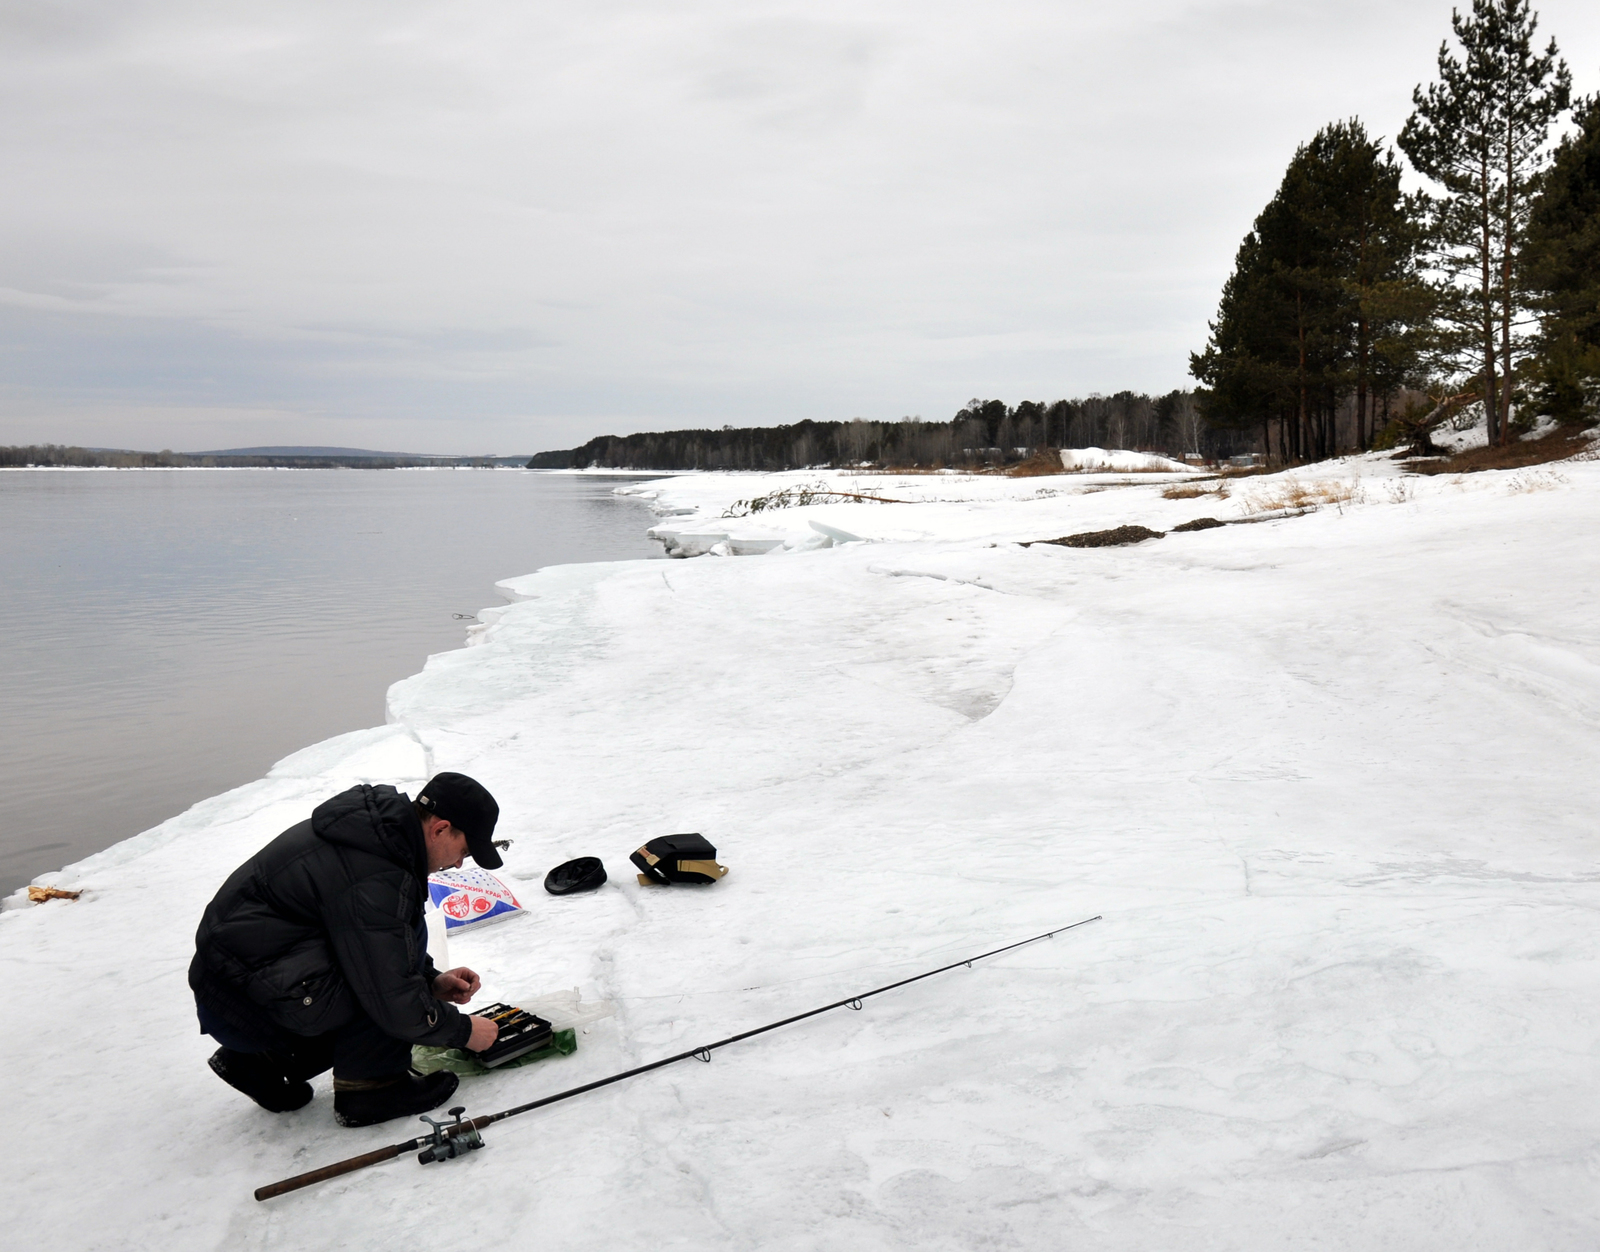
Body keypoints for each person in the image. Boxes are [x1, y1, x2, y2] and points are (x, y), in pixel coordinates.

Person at [189, 772, 505, 1127]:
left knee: (389, 966)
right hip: (248, 1006)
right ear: (440, 828)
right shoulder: (377, 871)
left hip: (238, 997)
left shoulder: (376, 838)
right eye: (463, 851)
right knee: (383, 989)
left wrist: (430, 980)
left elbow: (379, 940)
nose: (460, 864)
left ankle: (261, 1065)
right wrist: (464, 1032)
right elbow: (387, 988)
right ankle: (372, 1091)